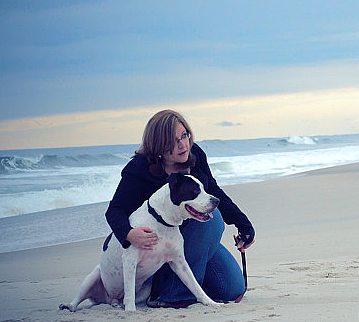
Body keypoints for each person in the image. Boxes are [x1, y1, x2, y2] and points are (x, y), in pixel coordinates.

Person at [105, 109, 255, 306]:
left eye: (184, 135)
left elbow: (213, 190)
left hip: (194, 241)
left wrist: (244, 225)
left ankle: (184, 282)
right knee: (214, 220)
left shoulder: (195, 154)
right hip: (156, 250)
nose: (183, 145)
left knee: (231, 289)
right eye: (173, 141)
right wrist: (129, 234)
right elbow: (115, 210)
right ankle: (173, 296)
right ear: (158, 145)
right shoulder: (139, 169)